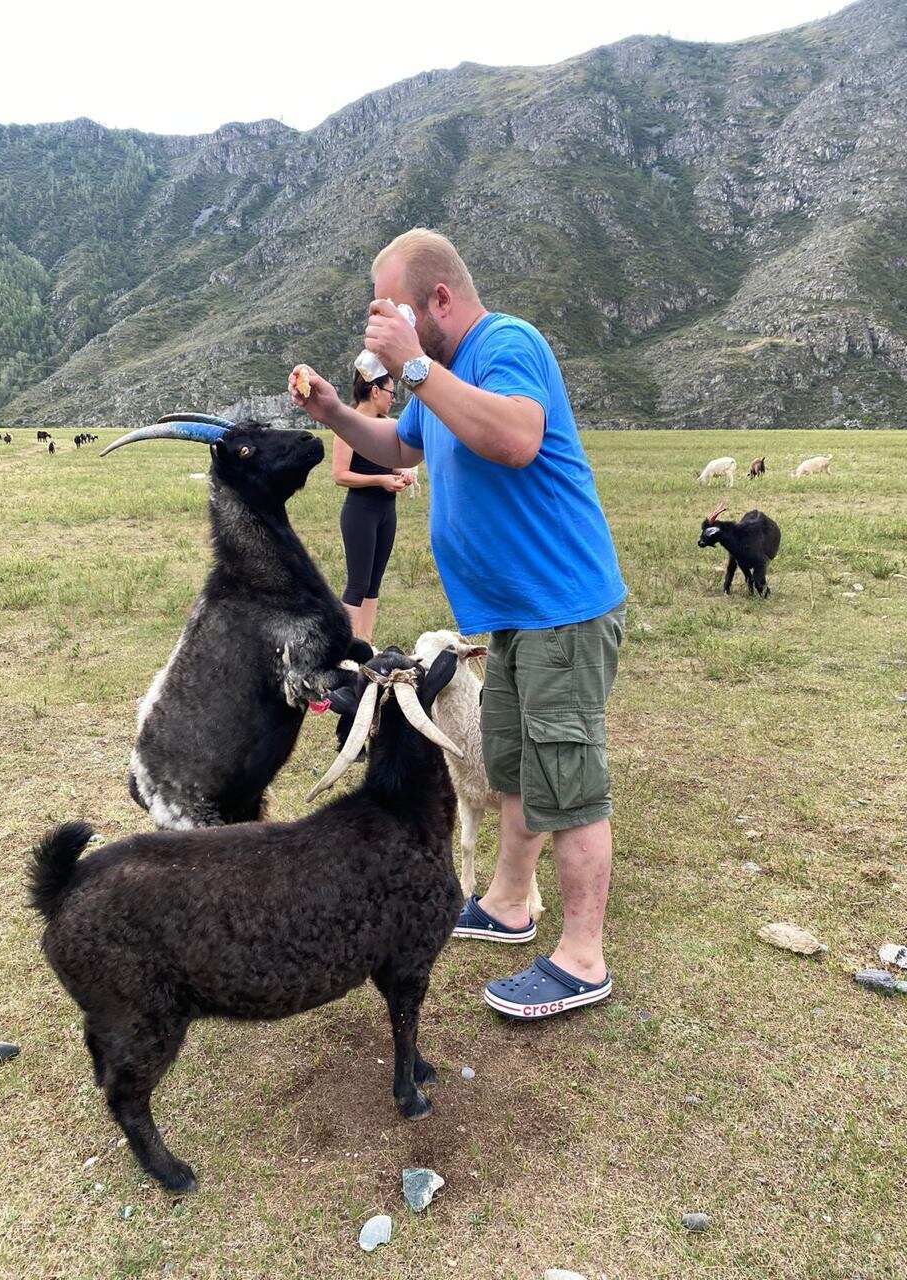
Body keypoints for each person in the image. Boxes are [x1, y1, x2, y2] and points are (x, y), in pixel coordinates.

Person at [290, 228, 626, 1021]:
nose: (383, 325)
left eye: (396, 308)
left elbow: (515, 438)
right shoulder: (433, 381)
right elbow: (395, 440)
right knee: (510, 765)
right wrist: (335, 409)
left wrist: (412, 363)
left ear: (438, 300)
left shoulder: (505, 343)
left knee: (568, 780)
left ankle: (583, 957)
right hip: (511, 618)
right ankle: (511, 904)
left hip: (562, 609)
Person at [332, 370, 409, 643]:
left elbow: (395, 462)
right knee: (358, 583)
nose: (392, 399)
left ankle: (366, 643)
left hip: (387, 512)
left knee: (374, 583)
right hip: (360, 512)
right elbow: (340, 475)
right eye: (390, 392)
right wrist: (380, 480)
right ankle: (346, 645)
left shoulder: (388, 424)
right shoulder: (348, 425)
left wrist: (403, 473)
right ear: (375, 391)